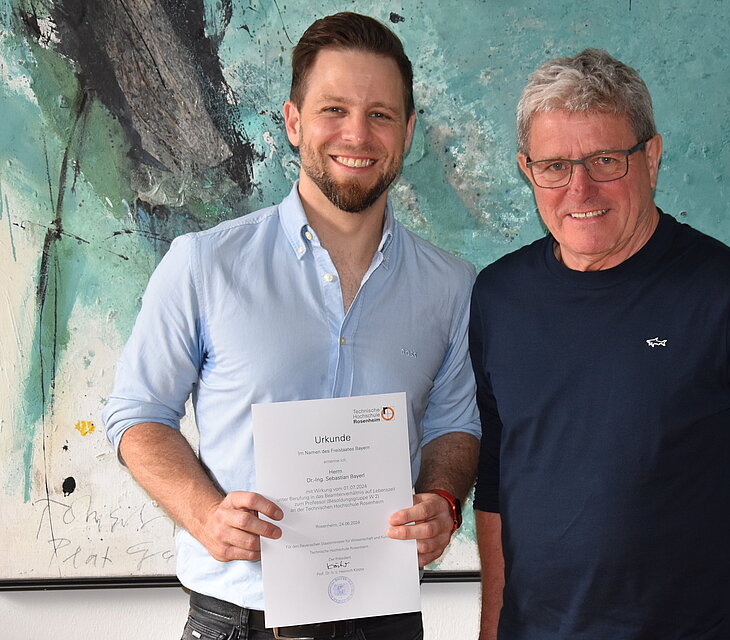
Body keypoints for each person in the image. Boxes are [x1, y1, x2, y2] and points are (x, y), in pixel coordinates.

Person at [470, 48, 730, 640]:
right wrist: (492, 627)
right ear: (526, 168)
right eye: (555, 166)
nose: (580, 187)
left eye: (605, 160)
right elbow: (496, 478)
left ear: (652, 157)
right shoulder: (498, 296)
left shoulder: (729, 296)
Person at [103, 12, 480, 640]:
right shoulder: (203, 265)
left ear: (408, 132)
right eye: (334, 109)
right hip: (237, 621)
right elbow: (137, 414)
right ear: (293, 121)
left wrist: (442, 500)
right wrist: (205, 516)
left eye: (382, 114)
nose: (357, 134)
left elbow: (454, 425)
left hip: (384, 620)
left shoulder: (452, 286)